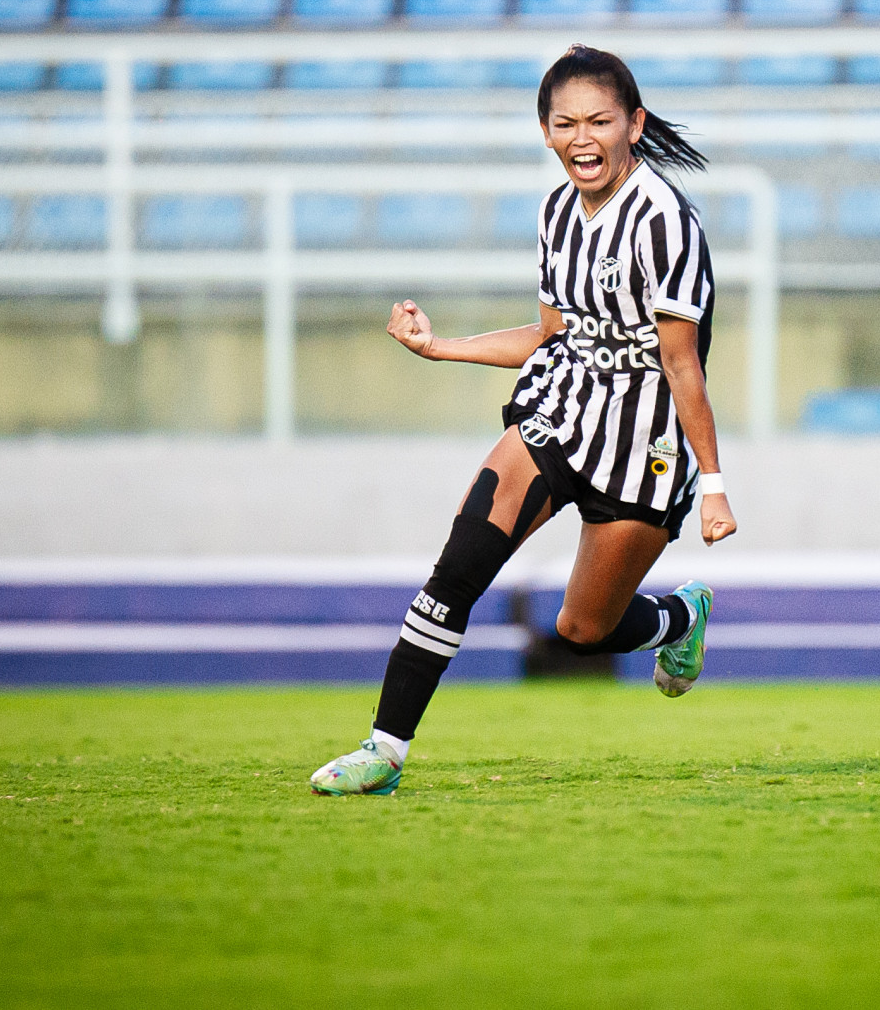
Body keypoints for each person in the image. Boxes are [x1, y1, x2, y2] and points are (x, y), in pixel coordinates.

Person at [310, 45, 739, 797]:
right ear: (545, 132)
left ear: (633, 124)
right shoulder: (554, 212)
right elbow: (550, 335)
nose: (584, 136)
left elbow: (682, 366)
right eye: (566, 122)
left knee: (583, 630)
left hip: (646, 446)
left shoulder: (666, 222)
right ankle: (384, 749)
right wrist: (438, 346)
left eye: (601, 120)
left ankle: (679, 618)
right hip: (561, 410)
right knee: (458, 569)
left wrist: (713, 485)